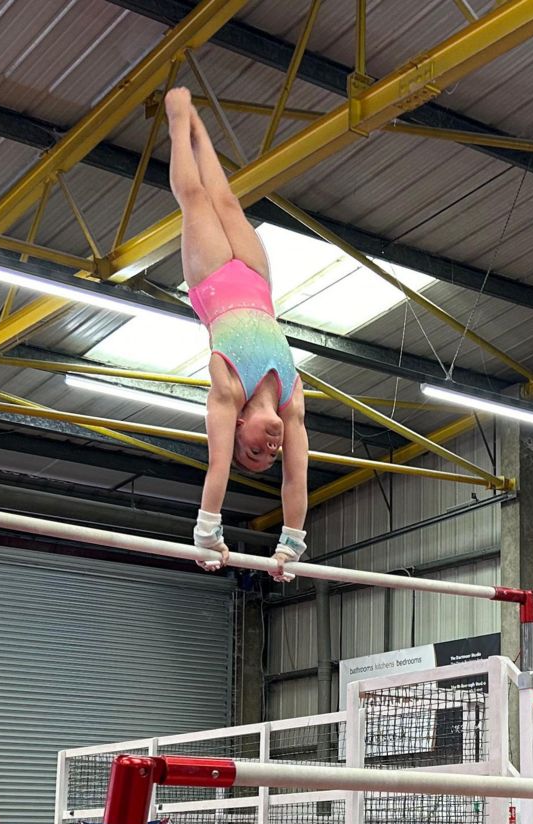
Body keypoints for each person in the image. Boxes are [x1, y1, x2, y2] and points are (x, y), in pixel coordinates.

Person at [165, 87, 309, 580]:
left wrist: (207, 533)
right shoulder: (292, 398)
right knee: (226, 198)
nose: (270, 447)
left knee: (195, 198)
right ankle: (201, 128)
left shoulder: (228, 389)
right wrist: (290, 545)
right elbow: (295, 480)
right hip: (255, 280)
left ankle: (177, 116)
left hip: (212, 280)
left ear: (240, 422)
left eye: (255, 449)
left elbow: (218, 469)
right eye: (271, 451)